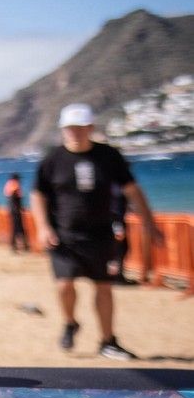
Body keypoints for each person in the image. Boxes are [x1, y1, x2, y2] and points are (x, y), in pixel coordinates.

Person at [32, 103, 163, 359]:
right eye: (70, 128)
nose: (75, 133)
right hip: (64, 236)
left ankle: (108, 340)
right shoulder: (52, 160)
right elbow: (38, 195)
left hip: (101, 235)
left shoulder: (108, 156)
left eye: (80, 128)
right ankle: (70, 322)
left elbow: (132, 190)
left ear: (90, 128)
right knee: (64, 285)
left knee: (103, 288)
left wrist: (149, 222)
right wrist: (42, 227)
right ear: (63, 130)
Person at [4, 172, 30, 252]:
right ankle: (22, 246)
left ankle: (17, 246)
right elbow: (14, 197)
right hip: (16, 212)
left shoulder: (8, 185)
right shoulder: (14, 185)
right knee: (19, 229)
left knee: (15, 229)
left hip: (12, 211)